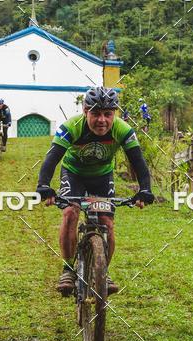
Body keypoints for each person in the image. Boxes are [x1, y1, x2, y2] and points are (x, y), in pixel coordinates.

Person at [36, 87, 154, 296]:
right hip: (74, 174)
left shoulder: (123, 130)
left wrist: (145, 189)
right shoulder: (71, 127)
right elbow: (51, 159)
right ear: (85, 111)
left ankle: (102, 272)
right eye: (96, 113)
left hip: (102, 177)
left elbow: (139, 162)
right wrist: (44, 185)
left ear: (114, 114)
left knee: (107, 223)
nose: (102, 120)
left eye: (108, 114)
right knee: (70, 213)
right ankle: (68, 269)